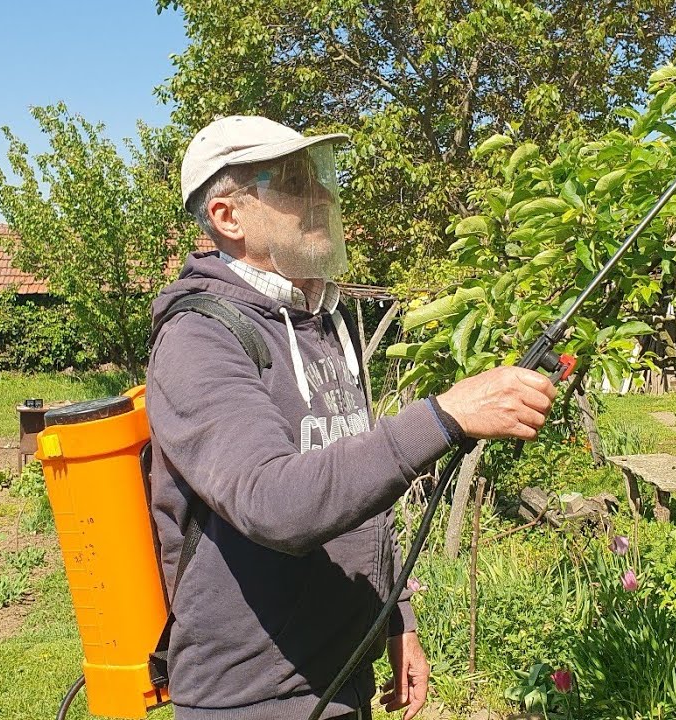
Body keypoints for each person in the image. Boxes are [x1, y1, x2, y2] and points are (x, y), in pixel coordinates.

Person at [146, 115, 556, 720]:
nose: (322, 198)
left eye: (320, 177)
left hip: (342, 672)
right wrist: (444, 416)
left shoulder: (323, 323)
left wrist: (395, 617)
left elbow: (357, 492)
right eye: (290, 181)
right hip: (252, 697)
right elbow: (272, 502)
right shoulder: (200, 339)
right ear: (227, 217)